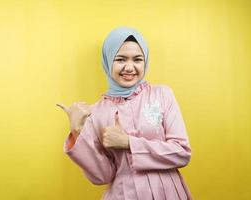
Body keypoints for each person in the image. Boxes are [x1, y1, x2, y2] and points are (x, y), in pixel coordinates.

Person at [57, 26, 192, 200]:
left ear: (146, 61)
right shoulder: (95, 113)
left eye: (137, 59)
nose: (129, 67)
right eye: (120, 59)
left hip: (167, 192)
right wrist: (77, 131)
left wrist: (128, 142)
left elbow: (182, 153)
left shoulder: (162, 95)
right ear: (108, 61)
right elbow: (102, 176)